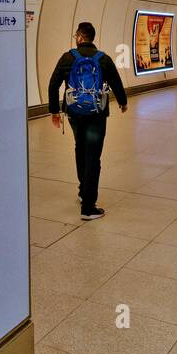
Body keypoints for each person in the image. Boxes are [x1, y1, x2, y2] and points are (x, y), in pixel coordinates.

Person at [47, 22, 128, 221]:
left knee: (80, 148)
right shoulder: (104, 59)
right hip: (97, 115)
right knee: (93, 155)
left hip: (75, 113)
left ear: (80, 37)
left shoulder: (68, 57)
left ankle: (83, 191)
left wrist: (54, 111)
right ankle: (88, 207)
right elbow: (116, 82)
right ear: (92, 37)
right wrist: (123, 102)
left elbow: (53, 83)